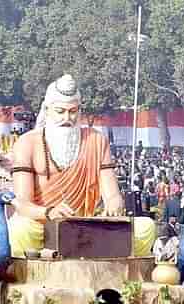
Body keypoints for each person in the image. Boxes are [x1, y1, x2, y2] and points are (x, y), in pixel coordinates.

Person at [9, 74, 124, 257]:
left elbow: (112, 195)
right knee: (19, 229)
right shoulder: (27, 143)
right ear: (47, 111)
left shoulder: (96, 140)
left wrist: (114, 204)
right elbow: (22, 204)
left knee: (144, 229)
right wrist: (49, 212)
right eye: (60, 111)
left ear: (79, 111)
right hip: (42, 226)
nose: (67, 118)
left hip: (82, 225)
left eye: (73, 111)